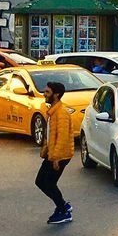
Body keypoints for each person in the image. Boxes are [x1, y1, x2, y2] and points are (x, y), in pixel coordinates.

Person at [36, 80, 75, 225]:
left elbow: (63, 137)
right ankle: (63, 206)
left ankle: (63, 211)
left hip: (60, 155)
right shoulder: (53, 111)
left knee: (48, 183)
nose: (44, 94)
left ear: (56, 95)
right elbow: (51, 134)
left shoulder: (62, 113)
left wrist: (56, 158)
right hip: (53, 154)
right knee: (41, 181)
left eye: (47, 92)